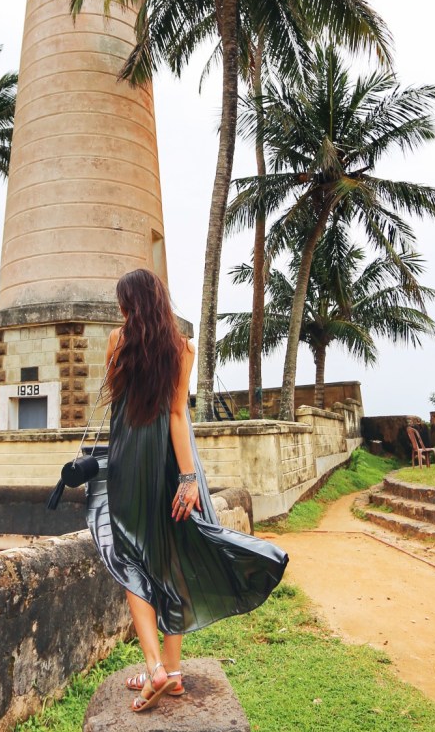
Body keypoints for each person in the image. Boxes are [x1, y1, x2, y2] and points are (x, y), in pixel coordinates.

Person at [85, 268, 288, 713]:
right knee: (175, 554)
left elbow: (121, 407)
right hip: (173, 462)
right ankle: (171, 674)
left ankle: (157, 666)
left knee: (130, 557)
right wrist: (188, 478)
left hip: (128, 461)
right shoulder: (183, 349)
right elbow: (178, 415)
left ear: (128, 305)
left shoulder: (116, 343)